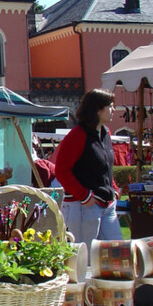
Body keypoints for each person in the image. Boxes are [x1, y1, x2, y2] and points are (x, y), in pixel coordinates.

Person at [55, 89, 122, 245]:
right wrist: (84, 195)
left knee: (117, 249)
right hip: (84, 206)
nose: (113, 110)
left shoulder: (105, 133)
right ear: (98, 109)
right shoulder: (77, 135)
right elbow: (62, 170)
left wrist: (114, 189)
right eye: (110, 106)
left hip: (106, 203)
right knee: (85, 257)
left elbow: (105, 167)